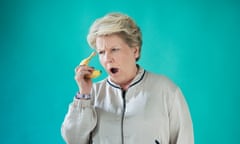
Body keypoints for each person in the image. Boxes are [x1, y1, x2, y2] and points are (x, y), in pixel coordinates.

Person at [61, 12, 194, 144]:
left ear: (135, 51)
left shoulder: (166, 91)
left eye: (114, 49)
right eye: (101, 52)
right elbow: (74, 140)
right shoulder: (92, 94)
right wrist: (84, 95)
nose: (107, 59)